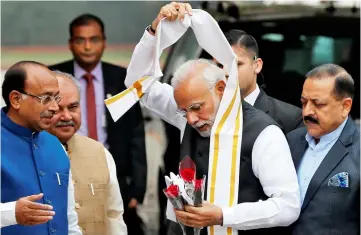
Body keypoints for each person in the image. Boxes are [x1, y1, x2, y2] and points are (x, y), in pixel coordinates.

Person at [126, 9, 302, 231]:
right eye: (183, 111)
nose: (191, 119)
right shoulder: (190, 110)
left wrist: (223, 216)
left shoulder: (265, 132)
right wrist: (155, 32)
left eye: (197, 108)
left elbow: (288, 206)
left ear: (220, 89)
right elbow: (138, 84)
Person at [49, 13, 147, 235]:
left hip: (112, 172)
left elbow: (136, 133)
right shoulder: (52, 77)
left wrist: (137, 189)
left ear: (104, 42)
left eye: (94, 39)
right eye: (80, 40)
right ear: (70, 44)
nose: (87, 47)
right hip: (63, 166)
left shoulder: (123, 79)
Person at [1, 61, 81, 235]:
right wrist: (10, 213)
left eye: (55, 97)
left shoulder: (55, 145)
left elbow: (70, 219)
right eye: (45, 98)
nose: (54, 107)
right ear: (16, 99)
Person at [47, 71, 127, 235]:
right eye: (57, 109)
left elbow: (114, 216)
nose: (67, 116)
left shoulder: (99, 152)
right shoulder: (22, 155)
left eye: (73, 107)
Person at [287, 64, 360, 234]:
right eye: (304, 103)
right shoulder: (291, 141)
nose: (307, 112)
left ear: (345, 106)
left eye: (318, 104)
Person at [220, 29, 303, 134]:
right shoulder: (203, 115)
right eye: (219, 65)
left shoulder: (291, 118)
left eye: (237, 64)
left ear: (257, 65)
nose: (225, 72)